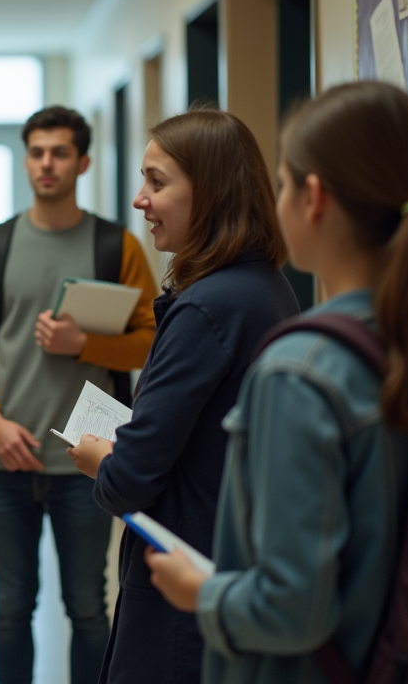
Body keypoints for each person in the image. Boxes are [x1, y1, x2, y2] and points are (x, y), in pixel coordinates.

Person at [145, 82, 408, 684]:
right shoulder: (402, 339)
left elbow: (290, 607)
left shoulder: (299, 373)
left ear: (314, 199)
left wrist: (202, 591)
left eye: (285, 185)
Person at [67, 109, 300, 684]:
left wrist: (100, 459)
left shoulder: (205, 308)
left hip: (185, 576)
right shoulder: (265, 288)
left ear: (212, 191)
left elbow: (129, 482)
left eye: (157, 181)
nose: (139, 200)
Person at [0, 106, 158, 684]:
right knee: (12, 606)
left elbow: (151, 342)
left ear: (82, 162)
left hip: (87, 460)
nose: (47, 163)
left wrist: (84, 343)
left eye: (60, 152)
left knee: (89, 607)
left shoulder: (117, 247)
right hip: (4, 457)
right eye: (37, 152)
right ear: (26, 160)